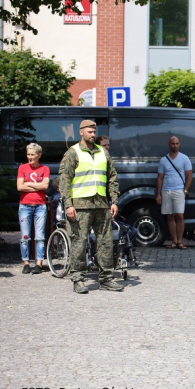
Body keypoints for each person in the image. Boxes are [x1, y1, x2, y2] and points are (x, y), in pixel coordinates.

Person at [58, 119, 123, 293]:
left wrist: (114, 201)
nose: (93, 135)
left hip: (101, 204)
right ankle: (78, 279)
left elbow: (112, 178)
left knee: (105, 242)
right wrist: (68, 205)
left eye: (94, 132)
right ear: (81, 132)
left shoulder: (103, 152)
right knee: (79, 243)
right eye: (89, 132)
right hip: (79, 206)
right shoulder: (73, 153)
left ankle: (106, 278)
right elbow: (64, 181)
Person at [17, 143, 50, 274]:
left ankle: (39, 263)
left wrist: (28, 183)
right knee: (25, 237)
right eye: (28, 154)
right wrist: (38, 185)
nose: (29, 157)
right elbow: (19, 187)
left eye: (32, 155)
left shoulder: (44, 169)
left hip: (40, 206)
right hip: (25, 206)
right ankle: (26, 262)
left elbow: (45, 186)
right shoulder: (22, 168)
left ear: (39, 155)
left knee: (40, 236)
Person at [157, 136, 192, 249]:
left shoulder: (184, 158)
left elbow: (189, 176)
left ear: (179, 144)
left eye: (177, 143)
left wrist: (185, 190)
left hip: (179, 190)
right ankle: (174, 240)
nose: (175, 145)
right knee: (170, 216)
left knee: (180, 215)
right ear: (169, 144)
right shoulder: (163, 160)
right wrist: (158, 194)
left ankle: (180, 241)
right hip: (166, 191)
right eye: (173, 143)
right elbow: (160, 178)